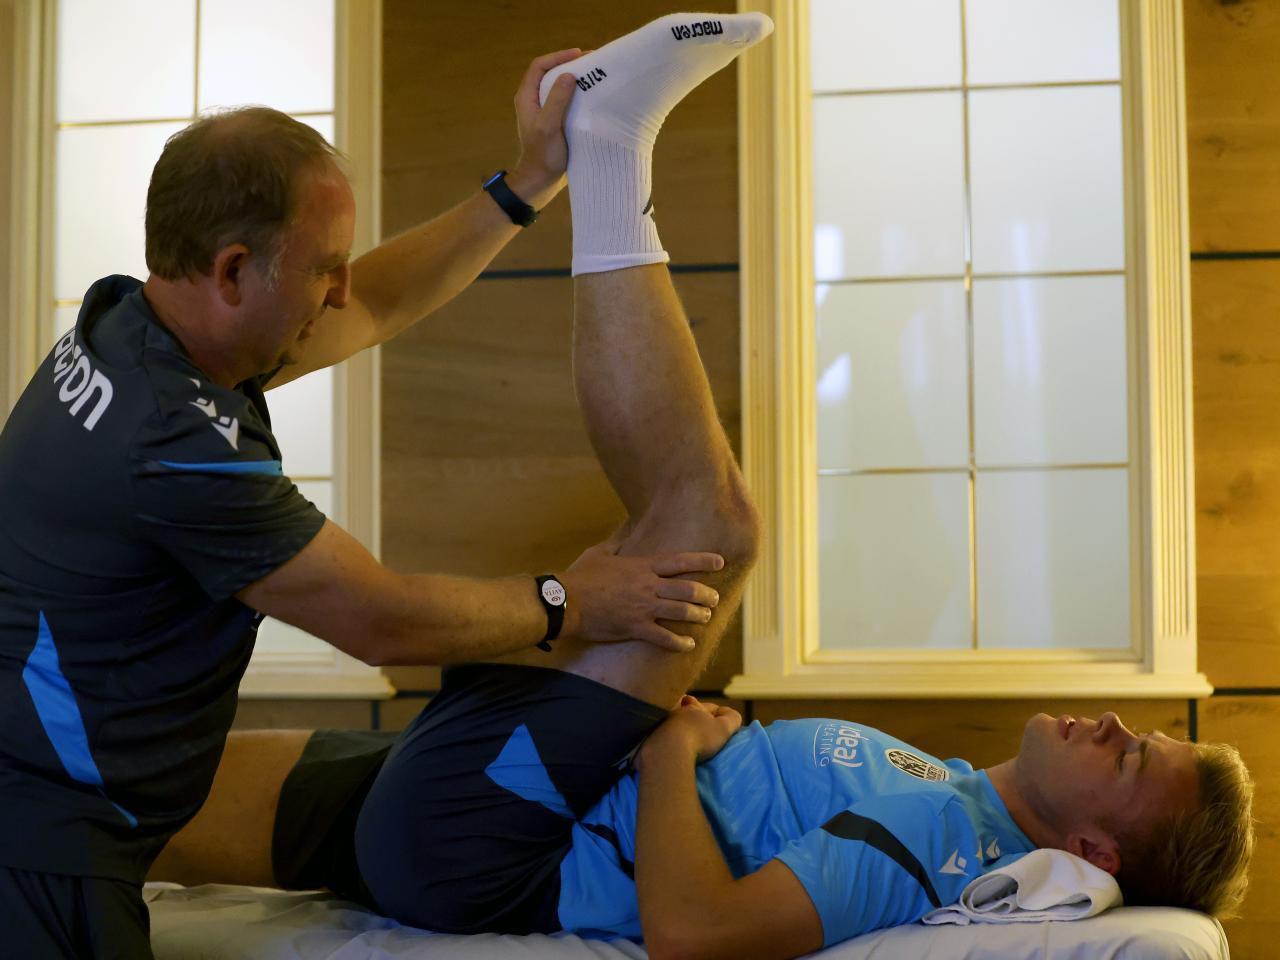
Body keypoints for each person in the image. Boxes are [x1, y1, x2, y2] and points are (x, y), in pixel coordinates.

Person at [148, 12, 1256, 960]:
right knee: (135, 796)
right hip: (489, 804)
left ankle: (612, 142)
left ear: (1094, 854)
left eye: (1130, 757)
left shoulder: (944, 845)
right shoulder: (956, 787)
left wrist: (671, 750)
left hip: (499, 830)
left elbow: (694, 938)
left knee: (708, 533)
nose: (1113, 723)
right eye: (1138, 729)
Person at [0, 33, 740, 960]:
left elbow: (377, 304)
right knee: (721, 524)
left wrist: (531, 180)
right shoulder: (171, 442)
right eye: (322, 268)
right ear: (232, 269)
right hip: (42, 847)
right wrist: (572, 600)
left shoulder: (129, 322)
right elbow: (381, 622)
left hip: (81, 801)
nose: (342, 288)